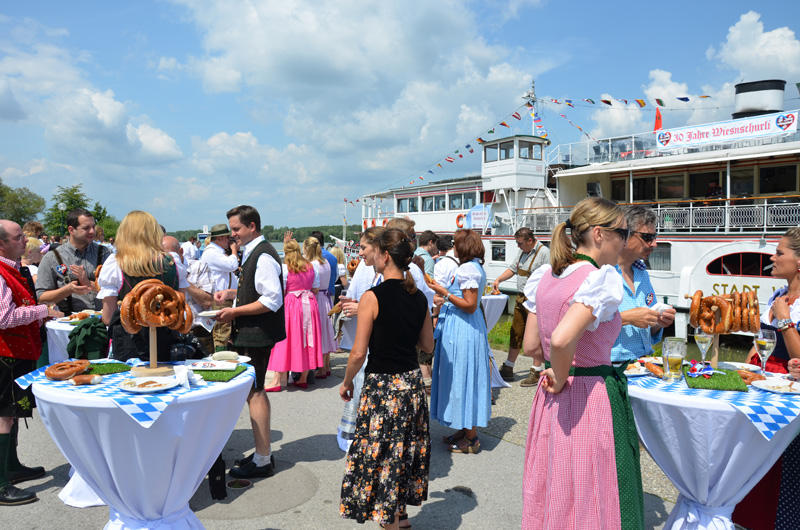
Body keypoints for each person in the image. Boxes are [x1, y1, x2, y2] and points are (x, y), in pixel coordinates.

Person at [520, 197, 643, 530]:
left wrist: (555, 371)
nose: (626, 241)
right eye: (623, 233)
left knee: (557, 481)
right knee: (592, 487)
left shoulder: (547, 275)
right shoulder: (601, 278)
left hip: (550, 395)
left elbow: (532, 345)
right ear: (600, 234)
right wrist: (562, 376)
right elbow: (562, 339)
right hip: (588, 394)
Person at [339, 228, 434, 530]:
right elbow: (427, 345)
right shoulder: (419, 296)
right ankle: (399, 515)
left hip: (383, 387)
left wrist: (346, 382)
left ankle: (391, 522)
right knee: (403, 451)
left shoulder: (372, 297)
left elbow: (358, 353)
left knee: (382, 454)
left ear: (384, 257)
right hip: (411, 384)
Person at [733, 227, 800, 530]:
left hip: (789, 386)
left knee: (784, 465)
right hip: (762, 383)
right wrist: (748, 371)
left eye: (779, 252)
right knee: (755, 458)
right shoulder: (778, 295)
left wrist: (784, 319)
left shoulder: (786, 304)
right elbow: (760, 343)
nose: (772, 257)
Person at [213, 205, 284, 479]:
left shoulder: (262, 255)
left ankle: (263, 458)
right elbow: (257, 290)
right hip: (251, 333)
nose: (233, 234)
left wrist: (235, 312)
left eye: (236, 229)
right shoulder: (256, 251)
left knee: (255, 392)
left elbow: (272, 300)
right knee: (252, 391)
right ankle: (261, 454)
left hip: (256, 334)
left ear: (252, 226)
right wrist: (232, 294)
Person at [0, 220, 62, 505]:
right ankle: (1, 484)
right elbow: (4, 318)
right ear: (2, 244)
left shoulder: (15, 268)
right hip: (6, 355)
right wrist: (41, 311)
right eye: (18, 237)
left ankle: (11, 467)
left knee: (12, 412)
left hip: (17, 353)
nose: (25, 240)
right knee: (3, 415)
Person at [426, 229, 492, 454]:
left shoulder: (467, 268)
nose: (453, 247)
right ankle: (464, 429)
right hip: (465, 326)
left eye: (456, 244)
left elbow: (470, 305)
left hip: (464, 328)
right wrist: (446, 298)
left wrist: (444, 293)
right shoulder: (474, 266)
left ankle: (471, 437)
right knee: (462, 375)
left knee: (463, 376)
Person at [97, 211, 181, 363]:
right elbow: (180, 306)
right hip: (168, 342)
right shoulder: (173, 262)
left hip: (129, 344)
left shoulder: (115, 263)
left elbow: (108, 318)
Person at [337, 226, 385, 451]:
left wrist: (362, 308)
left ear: (379, 248)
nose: (359, 253)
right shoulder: (375, 273)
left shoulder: (389, 279)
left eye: (364, 247)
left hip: (379, 352)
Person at [611, 206, 676, 365]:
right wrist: (626, 318)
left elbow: (646, 326)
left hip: (642, 365)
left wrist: (659, 322)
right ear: (624, 235)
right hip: (612, 368)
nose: (654, 244)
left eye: (654, 237)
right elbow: (583, 326)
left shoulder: (642, 273)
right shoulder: (601, 273)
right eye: (647, 237)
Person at [491, 228, 550, 385]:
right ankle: (508, 367)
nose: (518, 246)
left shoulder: (544, 253)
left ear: (530, 240)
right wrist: (498, 280)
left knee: (536, 335)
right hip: (521, 297)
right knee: (515, 332)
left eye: (520, 243)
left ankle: (536, 370)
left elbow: (551, 276)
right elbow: (513, 269)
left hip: (535, 301)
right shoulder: (523, 252)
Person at [265, 239, 322, 390]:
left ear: (285, 252)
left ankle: (277, 380)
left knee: (284, 340)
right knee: (307, 339)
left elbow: (282, 291)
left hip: (292, 305)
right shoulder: (312, 266)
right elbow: (316, 289)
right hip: (309, 303)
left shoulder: (285, 268)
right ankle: (303, 377)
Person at [36, 208, 111, 315]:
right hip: (68, 321)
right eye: (86, 228)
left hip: (102, 318)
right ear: (71, 230)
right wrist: (68, 289)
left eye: (93, 227)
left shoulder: (105, 253)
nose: (92, 231)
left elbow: (118, 289)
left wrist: (89, 284)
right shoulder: (52, 258)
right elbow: (41, 298)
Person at [201, 224, 240, 351]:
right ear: (219, 238)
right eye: (227, 238)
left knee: (225, 331)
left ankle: (223, 354)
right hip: (219, 298)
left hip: (225, 297)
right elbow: (232, 265)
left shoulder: (217, 252)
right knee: (221, 333)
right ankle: (220, 358)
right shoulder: (211, 252)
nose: (230, 240)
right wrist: (234, 249)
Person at [304, 237, 337, 379]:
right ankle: (326, 366)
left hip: (317, 298)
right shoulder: (326, 262)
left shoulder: (312, 265)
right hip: (326, 298)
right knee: (326, 331)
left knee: (319, 332)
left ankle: (322, 368)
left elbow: (312, 285)